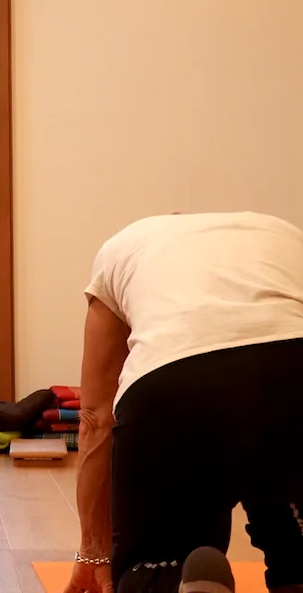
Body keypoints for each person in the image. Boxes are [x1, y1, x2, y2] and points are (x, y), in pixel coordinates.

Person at [66, 211, 303, 593]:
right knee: (290, 524)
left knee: (160, 564)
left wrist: (93, 553)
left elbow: (96, 416)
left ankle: (172, 578)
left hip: (177, 386)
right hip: (293, 369)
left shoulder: (120, 248)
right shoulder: (280, 230)